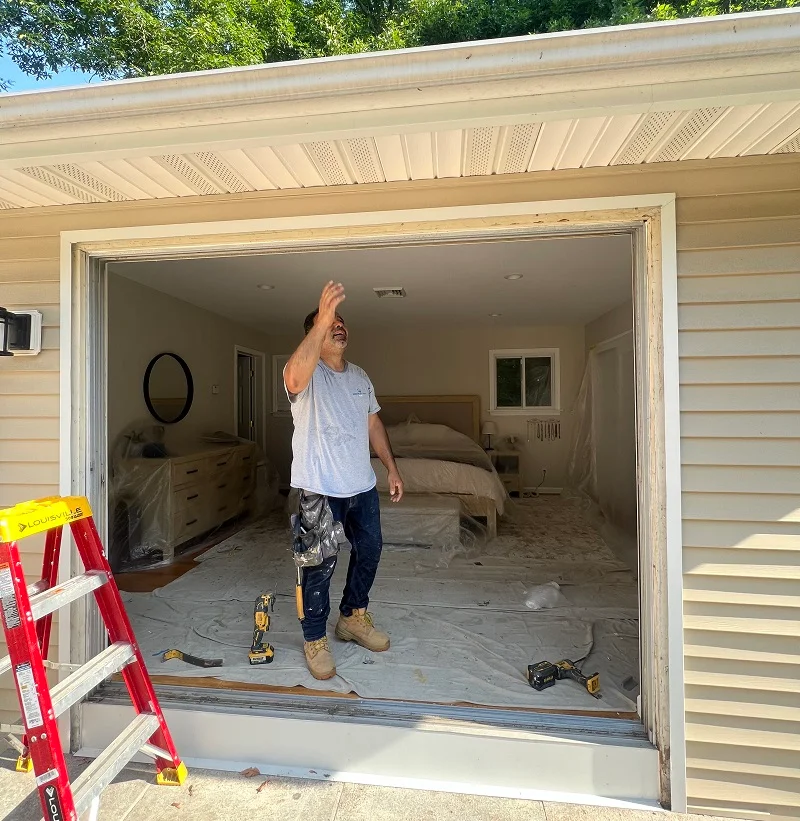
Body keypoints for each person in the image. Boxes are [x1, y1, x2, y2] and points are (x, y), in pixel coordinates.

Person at [284, 280, 404, 681]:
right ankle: (314, 638)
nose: (340, 327)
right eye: (332, 322)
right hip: (320, 488)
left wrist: (391, 466)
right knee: (318, 565)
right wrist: (321, 318)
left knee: (369, 551)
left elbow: (373, 424)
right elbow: (292, 377)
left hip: (361, 487)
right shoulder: (308, 374)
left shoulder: (360, 377)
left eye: (342, 322)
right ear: (315, 330)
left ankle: (353, 617)